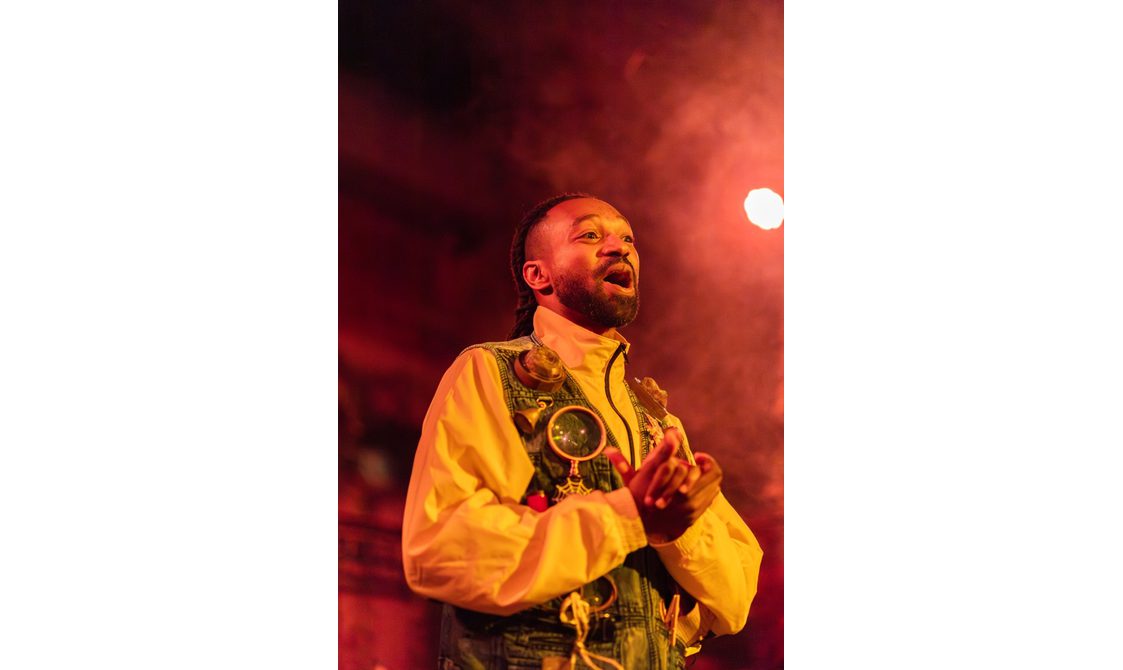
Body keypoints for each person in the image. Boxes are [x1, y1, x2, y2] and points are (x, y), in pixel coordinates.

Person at [402, 193, 763, 669]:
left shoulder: (659, 422)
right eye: (591, 235)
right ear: (538, 275)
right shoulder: (490, 373)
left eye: (628, 238)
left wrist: (678, 531)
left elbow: (735, 599)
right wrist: (628, 518)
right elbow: (439, 550)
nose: (620, 247)